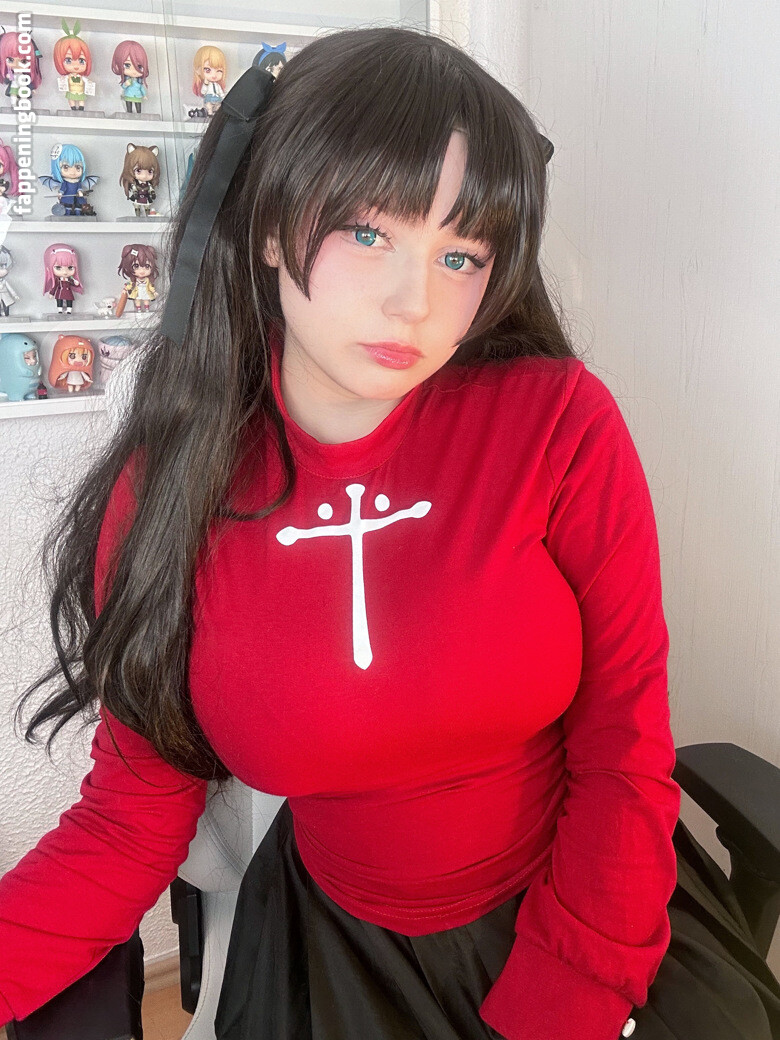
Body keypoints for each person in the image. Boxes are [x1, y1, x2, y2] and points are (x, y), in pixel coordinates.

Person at [1, 26, 778, 1040]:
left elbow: (625, 745)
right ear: (268, 226)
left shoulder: (559, 424)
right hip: (333, 951)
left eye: (460, 255)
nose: (415, 302)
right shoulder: (170, 491)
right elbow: (131, 816)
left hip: (587, 915)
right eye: (369, 232)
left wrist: (568, 1001)